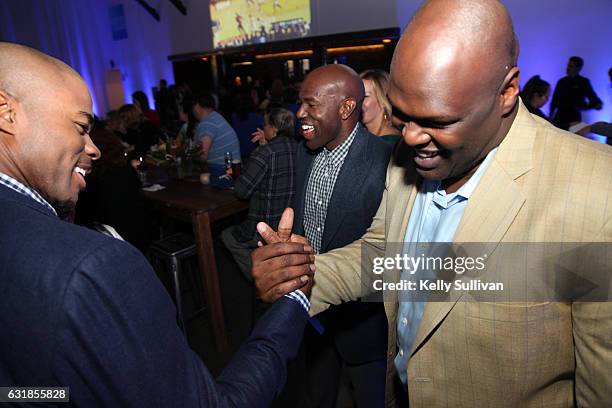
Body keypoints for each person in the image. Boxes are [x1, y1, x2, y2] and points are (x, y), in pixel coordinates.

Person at [250, 0, 612, 407]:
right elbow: (383, 255)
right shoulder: (408, 159)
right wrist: (298, 274)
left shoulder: (599, 194)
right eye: (403, 116)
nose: (410, 139)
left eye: (438, 121)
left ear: (507, 91)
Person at [0, 42, 313, 407]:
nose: (94, 147)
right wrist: (290, 301)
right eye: (81, 126)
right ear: (6, 112)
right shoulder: (93, 266)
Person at [274, 64, 392, 408]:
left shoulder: (386, 161)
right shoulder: (304, 151)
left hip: (363, 322)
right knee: (317, 394)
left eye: (311, 105)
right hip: (313, 312)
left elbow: (386, 250)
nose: (300, 114)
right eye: (300, 104)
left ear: (345, 108)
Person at [221, 107, 297, 280]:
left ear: (274, 128)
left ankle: (263, 280)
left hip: (266, 228)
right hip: (294, 226)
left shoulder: (265, 153)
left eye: (266, 125)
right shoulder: (300, 149)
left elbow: (242, 191)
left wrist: (260, 150)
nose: (263, 129)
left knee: (228, 237)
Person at [550, 56, 603, 130]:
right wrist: (550, 116)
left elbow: (593, 99)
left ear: (578, 68)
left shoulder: (583, 82)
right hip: (560, 118)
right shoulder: (561, 82)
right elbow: (554, 101)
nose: (567, 68)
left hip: (574, 118)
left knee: (571, 139)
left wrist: (586, 106)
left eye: (571, 66)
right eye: (568, 65)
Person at [192, 92, 241, 165]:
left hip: (225, 171)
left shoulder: (207, 123)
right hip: (234, 168)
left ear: (197, 106)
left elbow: (202, 156)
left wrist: (189, 155)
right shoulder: (216, 117)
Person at [360, 69, 401, 144]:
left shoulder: (390, 143)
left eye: (365, 96)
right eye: (357, 95)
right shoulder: (362, 137)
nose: (358, 100)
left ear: (383, 100)